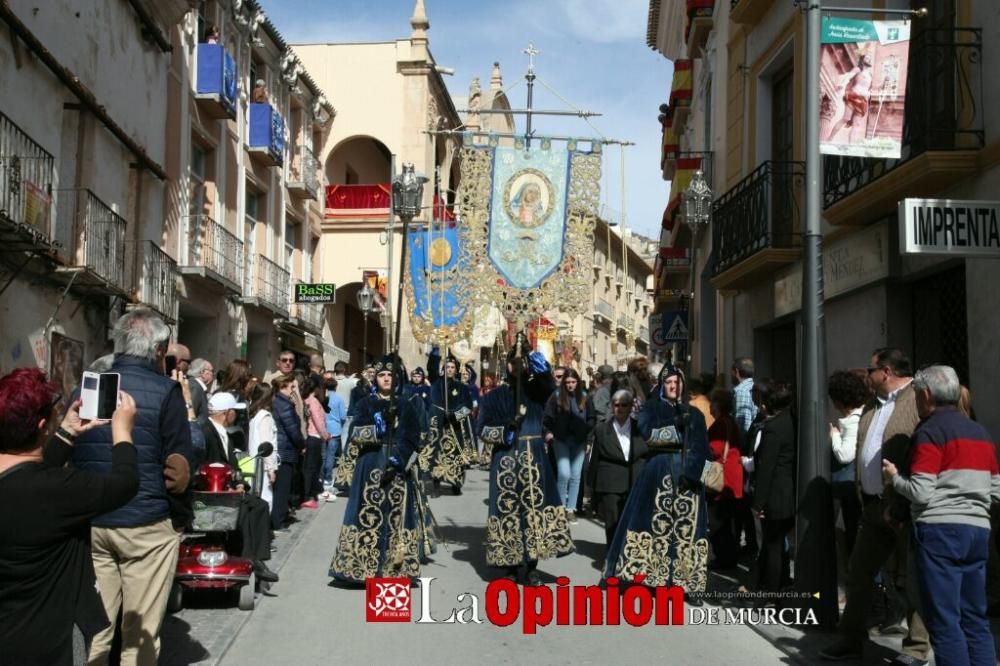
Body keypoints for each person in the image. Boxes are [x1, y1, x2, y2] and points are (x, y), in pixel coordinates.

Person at [70, 308, 196, 665]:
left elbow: (69, 445)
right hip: (145, 521)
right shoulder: (165, 390)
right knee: (139, 631)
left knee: (94, 625)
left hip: (92, 519)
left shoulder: (90, 385)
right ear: (159, 349)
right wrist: (181, 518)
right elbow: (178, 468)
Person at [0, 369, 138, 666]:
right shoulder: (56, 490)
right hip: (49, 638)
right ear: (41, 425)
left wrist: (66, 434)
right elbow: (125, 484)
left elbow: (26, 476)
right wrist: (122, 430)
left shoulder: (36, 487)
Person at [882, 365, 999, 666]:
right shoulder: (979, 432)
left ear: (925, 395)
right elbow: (996, 490)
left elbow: (920, 491)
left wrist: (894, 477)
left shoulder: (930, 431)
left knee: (945, 622)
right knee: (975, 618)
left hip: (939, 532)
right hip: (978, 530)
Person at [821, 348, 929, 662]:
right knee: (859, 572)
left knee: (912, 580)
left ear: (886, 371)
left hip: (904, 505)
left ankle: (917, 648)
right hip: (871, 506)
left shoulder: (915, 400)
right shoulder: (872, 405)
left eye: (870, 371)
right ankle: (852, 637)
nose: (866, 377)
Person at [604, 363, 709, 593]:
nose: (673, 386)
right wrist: (674, 427)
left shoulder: (696, 413)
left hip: (688, 480)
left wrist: (695, 474)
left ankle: (687, 583)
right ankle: (652, 576)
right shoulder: (651, 408)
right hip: (658, 473)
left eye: (677, 382)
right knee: (654, 525)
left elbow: (704, 449)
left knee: (687, 532)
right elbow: (648, 435)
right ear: (663, 385)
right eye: (669, 383)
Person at [477, 338, 574, 584]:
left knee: (533, 511)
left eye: (522, 362)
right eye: (514, 363)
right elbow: (482, 429)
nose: (518, 366)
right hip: (506, 459)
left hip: (534, 457)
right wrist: (505, 431)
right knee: (508, 511)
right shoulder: (493, 397)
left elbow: (550, 385)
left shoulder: (537, 392)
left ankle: (532, 564)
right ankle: (509, 565)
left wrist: (535, 360)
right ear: (507, 365)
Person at [328, 354, 431, 584]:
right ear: (377, 379)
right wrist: (379, 427)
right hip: (370, 466)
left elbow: (413, 438)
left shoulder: (407, 404)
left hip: (397, 469)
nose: (386, 379)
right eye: (382, 375)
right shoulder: (366, 403)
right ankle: (361, 567)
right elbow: (355, 434)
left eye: (390, 375)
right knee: (368, 513)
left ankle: (394, 568)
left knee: (395, 518)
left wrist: (398, 462)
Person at [201, 392, 278, 583]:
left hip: (228, 488)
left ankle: (257, 559)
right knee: (242, 510)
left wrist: (240, 482)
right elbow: (207, 464)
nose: (236, 415)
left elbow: (232, 465)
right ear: (226, 413)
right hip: (213, 492)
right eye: (234, 411)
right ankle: (247, 557)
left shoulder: (224, 432)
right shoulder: (206, 432)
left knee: (259, 506)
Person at [748, 383, 795, 595]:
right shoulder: (792, 421)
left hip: (775, 496)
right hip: (788, 492)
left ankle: (772, 591)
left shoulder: (773, 428)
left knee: (774, 545)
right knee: (779, 545)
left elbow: (766, 468)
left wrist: (758, 503)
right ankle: (779, 584)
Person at [587, 389, 646, 550]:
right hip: (610, 481)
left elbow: (645, 452)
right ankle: (612, 555)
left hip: (634, 478)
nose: (620, 408)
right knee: (612, 522)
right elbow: (595, 458)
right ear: (612, 406)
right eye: (616, 405)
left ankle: (630, 555)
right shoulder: (601, 429)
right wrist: (591, 487)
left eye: (624, 405)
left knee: (633, 521)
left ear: (630, 407)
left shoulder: (640, 427)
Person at [543, 368, 595, 524]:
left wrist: (589, 440)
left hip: (579, 441)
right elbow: (547, 417)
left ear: (578, 382)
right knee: (564, 473)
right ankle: (559, 508)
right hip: (561, 440)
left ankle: (570, 509)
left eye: (573, 382)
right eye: (567, 382)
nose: (570, 385)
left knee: (575, 476)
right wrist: (548, 432)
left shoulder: (586, 397)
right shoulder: (556, 396)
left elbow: (592, 419)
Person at [827, 369, 868, 565]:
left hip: (849, 488)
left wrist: (834, 434)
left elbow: (845, 455)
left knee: (851, 533)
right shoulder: (860, 416)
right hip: (852, 487)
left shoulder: (853, 422)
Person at [421, 351, 475, 495]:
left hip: (454, 426)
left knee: (454, 455)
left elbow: (468, 407)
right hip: (438, 424)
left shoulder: (461, 387)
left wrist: (454, 415)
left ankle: (455, 482)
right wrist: (436, 351)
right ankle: (436, 483)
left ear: (456, 370)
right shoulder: (436, 382)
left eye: (452, 367)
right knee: (438, 453)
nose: (449, 369)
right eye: (447, 367)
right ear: (443, 369)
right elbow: (431, 368)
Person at [707, 388, 743, 570]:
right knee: (728, 522)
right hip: (733, 478)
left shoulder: (720, 424)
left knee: (717, 521)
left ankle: (724, 558)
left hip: (721, 479)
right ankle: (729, 556)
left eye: (712, 403)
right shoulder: (731, 422)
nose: (710, 407)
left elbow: (714, 450)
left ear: (718, 405)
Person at [270, 373, 304, 530]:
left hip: (283, 449)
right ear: (283, 387)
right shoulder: (283, 404)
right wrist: (302, 444)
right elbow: (292, 430)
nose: (293, 390)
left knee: (281, 487)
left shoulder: (278, 402)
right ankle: (278, 520)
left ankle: (278, 516)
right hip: (285, 450)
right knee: (282, 488)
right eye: (291, 387)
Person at [247, 384, 279, 510]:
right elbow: (267, 444)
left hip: (255, 463)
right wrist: (271, 469)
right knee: (266, 499)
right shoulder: (265, 417)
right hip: (263, 467)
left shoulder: (255, 416)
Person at [300, 375, 330, 508]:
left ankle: (308, 493)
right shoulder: (314, 402)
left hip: (309, 436)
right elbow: (318, 421)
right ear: (317, 388)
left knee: (308, 468)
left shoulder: (305, 400)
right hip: (315, 437)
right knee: (312, 468)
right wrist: (325, 435)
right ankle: (308, 495)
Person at [319, 372, 346, 502]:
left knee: (323, 455)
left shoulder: (322, 398)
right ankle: (328, 478)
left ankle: (321, 476)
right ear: (335, 387)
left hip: (323, 428)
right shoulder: (339, 399)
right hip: (335, 429)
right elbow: (342, 416)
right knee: (331, 455)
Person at [731, 357, 757, 436]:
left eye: (731, 372)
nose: (730, 375)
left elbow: (743, 426)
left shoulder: (741, 392)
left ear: (737, 372)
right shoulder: (753, 386)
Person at [187, 357, 214, 425]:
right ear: (202, 372)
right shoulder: (196, 387)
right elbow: (190, 414)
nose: (213, 374)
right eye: (212, 371)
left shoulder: (194, 385)